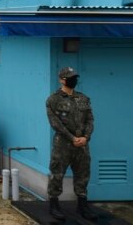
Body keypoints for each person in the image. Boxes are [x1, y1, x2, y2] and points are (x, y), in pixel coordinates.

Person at [45, 67, 97, 221]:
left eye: (75, 77)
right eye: (70, 77)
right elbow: (55, 123)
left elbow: (90, 119)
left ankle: (82, 206)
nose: (73, 80)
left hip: (82, 145)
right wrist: (72, 138)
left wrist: (86, 137)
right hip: (63, 145)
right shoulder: (53, 99)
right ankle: (54, 204)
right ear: (62, 79)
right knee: (57, 174)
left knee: (83, 175)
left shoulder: (83, 98)